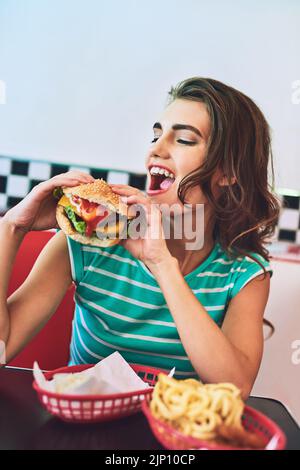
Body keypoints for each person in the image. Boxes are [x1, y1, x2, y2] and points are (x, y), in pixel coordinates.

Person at [0, 77, 280, 399]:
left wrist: (161, 264)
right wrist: (11, 228)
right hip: (83, 427)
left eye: (184, 140)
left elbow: (234, 388)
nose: (155, 150)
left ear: (229, 171)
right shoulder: (87, 241)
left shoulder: (243, 274)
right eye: (156, 135)